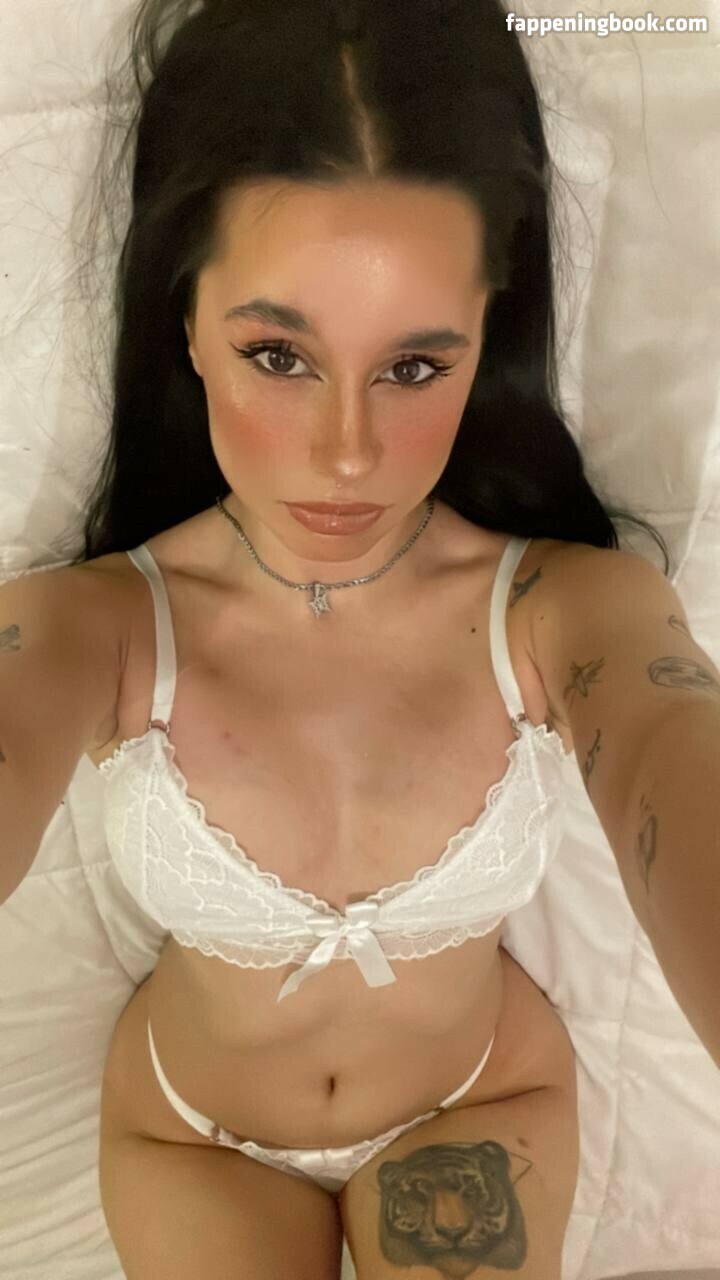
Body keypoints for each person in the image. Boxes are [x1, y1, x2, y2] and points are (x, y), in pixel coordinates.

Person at [9, 1, 716, 1277]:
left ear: (489, 333)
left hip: (480, 1096)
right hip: (192, 1133)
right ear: (184, 318)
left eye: (414, 367)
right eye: (278, 354)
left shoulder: (566, 609)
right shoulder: (93, 624)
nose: (347, 454)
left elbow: (676, 746)